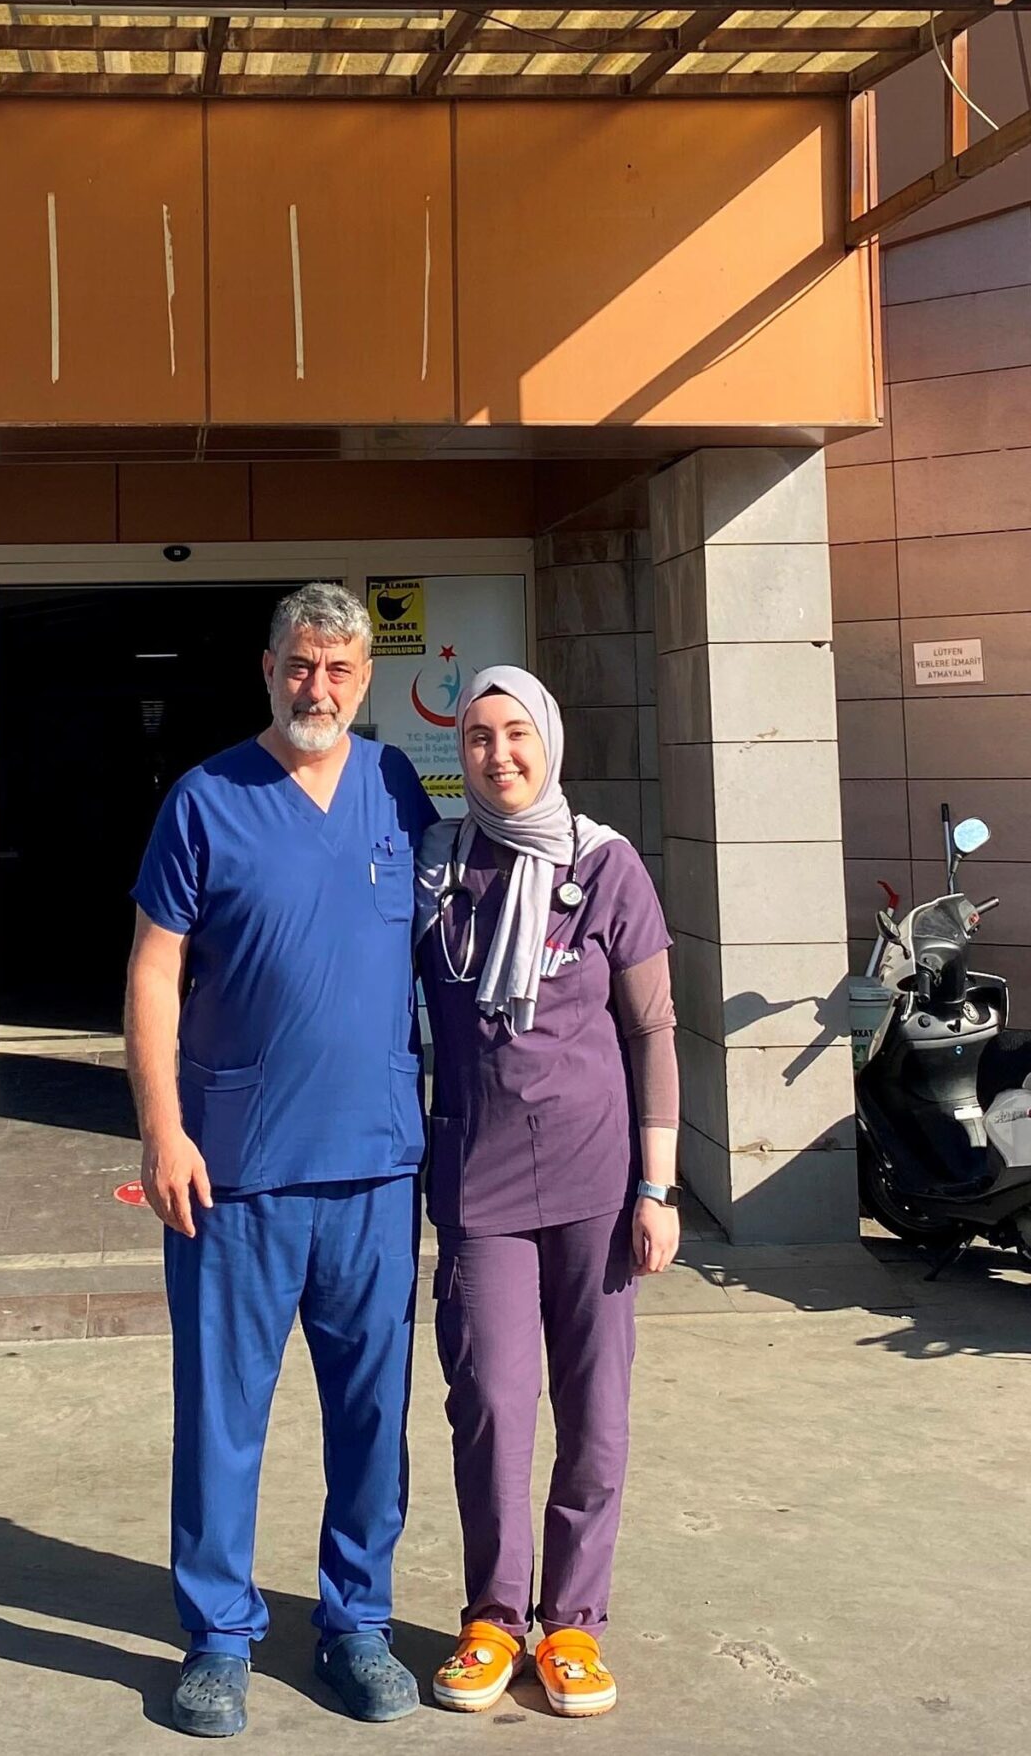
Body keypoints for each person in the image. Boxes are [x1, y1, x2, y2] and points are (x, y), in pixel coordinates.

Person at [125, 581, 438, 1738]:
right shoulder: (206, 799)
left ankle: (357, 1621)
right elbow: (154, 968)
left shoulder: (396, 788)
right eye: (300, 664)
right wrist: (162, 1127)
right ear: (267, 669)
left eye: (339, 668)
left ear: (364, 678)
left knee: (372, 1413)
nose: (318, 686)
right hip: (235, 1171)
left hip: (373, 1168)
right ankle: (218, 1636)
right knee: (222, 1414)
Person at [415, 666, 680, 1721]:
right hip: (477, 1181)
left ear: (549, 742)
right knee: (488, 1400)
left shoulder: (605, 864)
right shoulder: (439, 868)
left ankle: (572, 1623)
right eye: (479, 736)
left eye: (516, 733)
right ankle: (493, 1617)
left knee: (595, 1412)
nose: (499, 755)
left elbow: (652, 1030)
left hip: (595, 1184)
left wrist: (657, 1186)